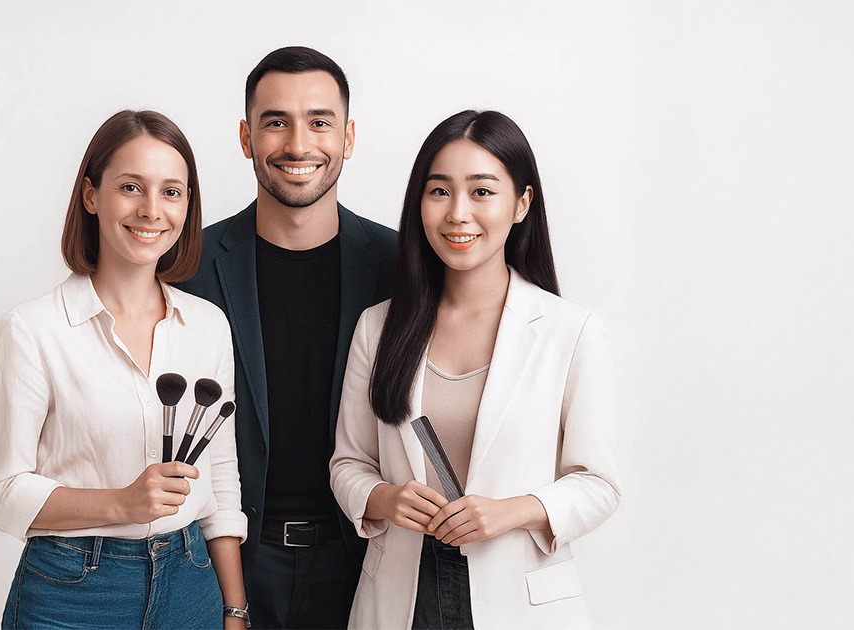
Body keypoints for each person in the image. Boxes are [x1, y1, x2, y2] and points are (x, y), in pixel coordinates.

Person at [329, 110, 621, 629]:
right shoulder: (378, 327)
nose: (458, 213)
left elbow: (598, 484)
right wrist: (386, 498)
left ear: (521, 203)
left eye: (482, 191)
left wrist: (513, 510)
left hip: (520, 597)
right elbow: (348, 465)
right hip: (401, 592)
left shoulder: (570, 332)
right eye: (439, 191)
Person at [0, 109, 249, 629]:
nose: (152, 210)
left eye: (172, 192)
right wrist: (122, 504)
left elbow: (221, 478)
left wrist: (234, 609)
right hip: (72, 591)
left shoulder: (208, 326)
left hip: (191, 582)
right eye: (130, 187)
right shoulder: (32, 331)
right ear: (91, 195)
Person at [176, 47, 397, 628]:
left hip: (370, 559)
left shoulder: (402, 266)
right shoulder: (188, 265)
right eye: (276, 122)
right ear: (247, 138)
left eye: (319, 121)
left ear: (348, 136)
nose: (298, 145)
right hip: (227, 562)